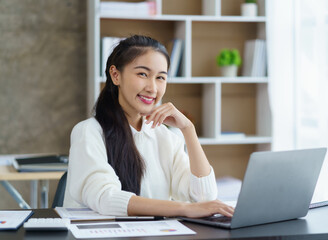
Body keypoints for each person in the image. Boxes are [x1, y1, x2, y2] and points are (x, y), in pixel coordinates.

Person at [63, 35, 234, 218]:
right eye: (142, 74)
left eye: (160, 77)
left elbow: (204, 198)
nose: (152, 88)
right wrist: (184, 209)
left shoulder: (167, 137)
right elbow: (107, 198)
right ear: (115, 75)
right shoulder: (89, 132)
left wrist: (188, 129)